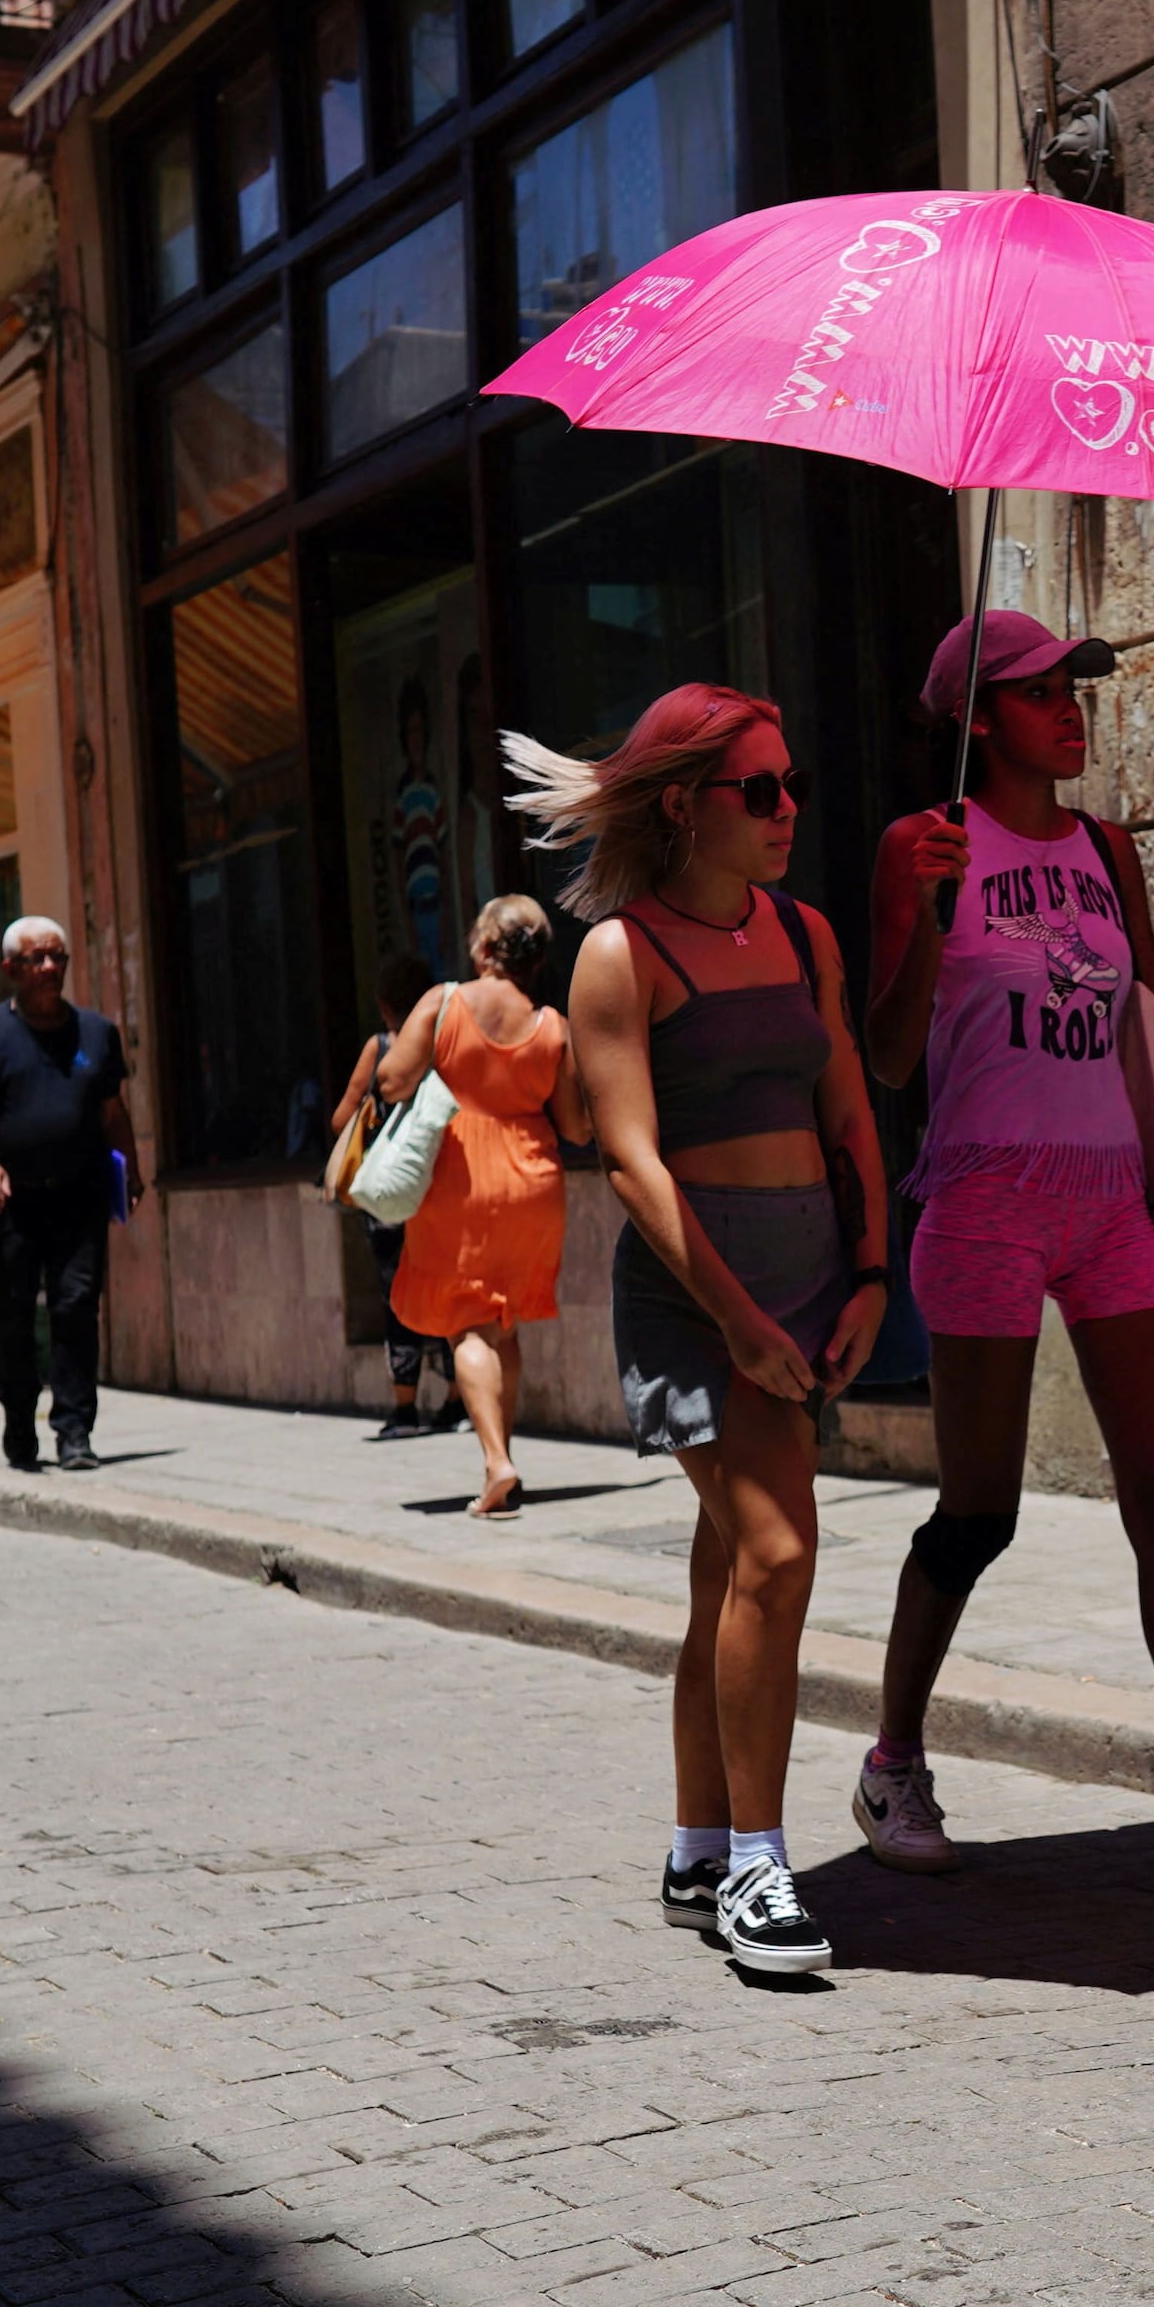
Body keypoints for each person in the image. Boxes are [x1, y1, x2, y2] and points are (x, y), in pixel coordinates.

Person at [856, 611, 1154, 1912]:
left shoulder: (1108, 849)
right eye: (1040, 691)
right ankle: (895, 1759)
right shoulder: (919, 845)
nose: (1072, 708)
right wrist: (926, 905)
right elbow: (892, 1056)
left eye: (1077, 686)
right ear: (978, 717)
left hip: (1110, 1199)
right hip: (981, 1197)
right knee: (982, 1508)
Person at [536, 684, 889, 1983]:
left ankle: (696, 1845)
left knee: (726, 1571)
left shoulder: (804, 933)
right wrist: (739, 1322)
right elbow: (629, 1162)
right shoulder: (621, 954)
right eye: (762, 788)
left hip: (809, 1278)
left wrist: (869, 1275)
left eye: (792, 783)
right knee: (780, 1555)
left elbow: (851, 1112)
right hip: (698, 1293)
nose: (789, 807)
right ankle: (756, 1863)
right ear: (687, 802)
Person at [378, 895, 577, 1520]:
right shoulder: (552, 1024)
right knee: (505, 1321)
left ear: (485, 946)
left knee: (468, 1323)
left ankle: (496, 1462)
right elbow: (576, 1124)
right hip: (534, 1178)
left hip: (463, 1175)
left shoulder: (444, 1002)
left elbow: (391, 1079)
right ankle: (504, 1459)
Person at [0, 913, 131, 1473]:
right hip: (12, 1204)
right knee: (11, 1318)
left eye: (58, 958)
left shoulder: (97, 1033)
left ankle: (74, 1431)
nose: (51, 968)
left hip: (79, 1196)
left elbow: (111, 1110)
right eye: (37, 959)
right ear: (11, 969)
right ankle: (18, 1419)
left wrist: (133, 1169)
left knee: (77, 1309)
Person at [324, 957, 450, 1439]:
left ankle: (404, 1407)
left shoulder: (381, 1048)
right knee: (446, 1285)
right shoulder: (446, 1042)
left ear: (383, 1006)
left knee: (398, 1291)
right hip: (441, 1183)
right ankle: (458, 1399)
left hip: (392, 1189)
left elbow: (341, 1120)